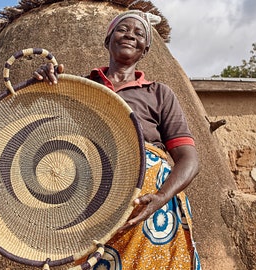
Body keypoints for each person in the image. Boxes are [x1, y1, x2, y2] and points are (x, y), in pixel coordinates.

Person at [33, 9, 201, 270]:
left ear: (145, 49)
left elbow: (189, 159)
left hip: (147, 210)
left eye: (139, 33)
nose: (130, 35)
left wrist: (160, 197)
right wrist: (45, 84)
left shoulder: (158, 93)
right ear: (108, 39)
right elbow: (47, 137)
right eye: (123, 29)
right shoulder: (82, 86)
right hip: (94, 203)